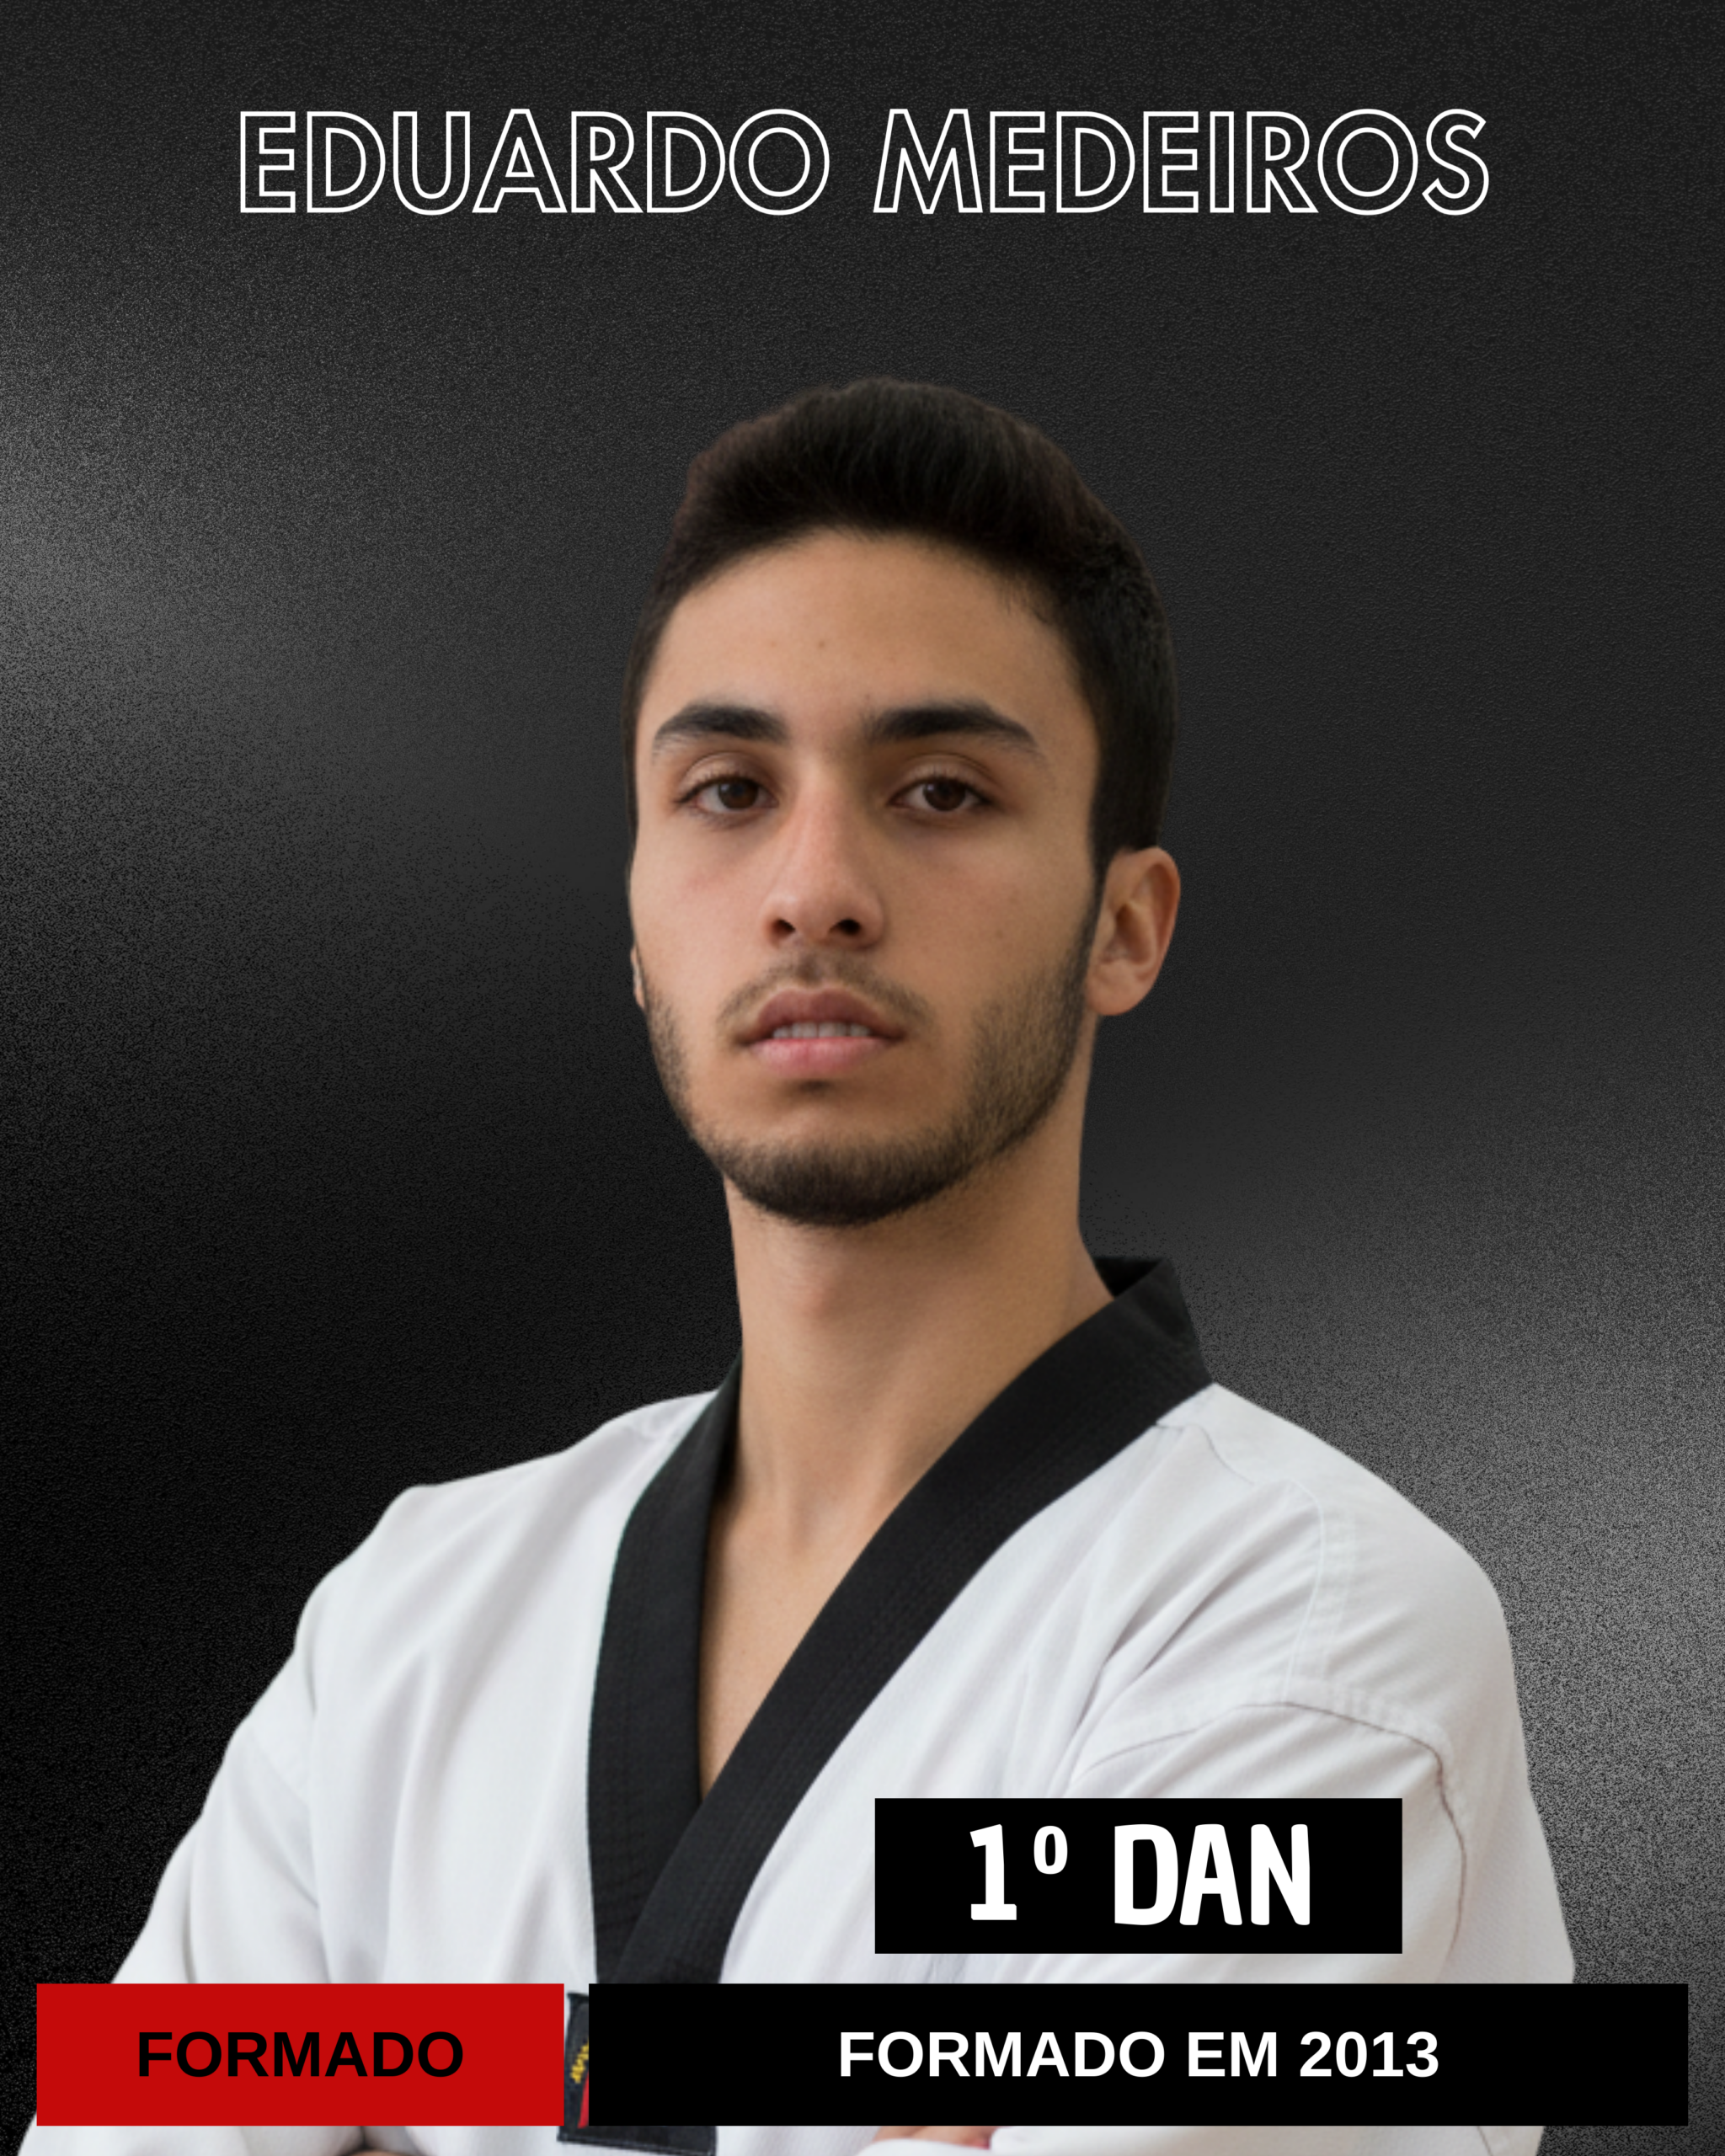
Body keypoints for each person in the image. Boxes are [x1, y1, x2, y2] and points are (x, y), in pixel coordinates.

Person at [21, 381, 1573, 2156]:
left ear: (1124, 924)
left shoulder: (1309, 1640)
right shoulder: (415, 1612)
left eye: (941, 789)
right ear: (636, 925)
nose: (813, 886)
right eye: (728, 790)